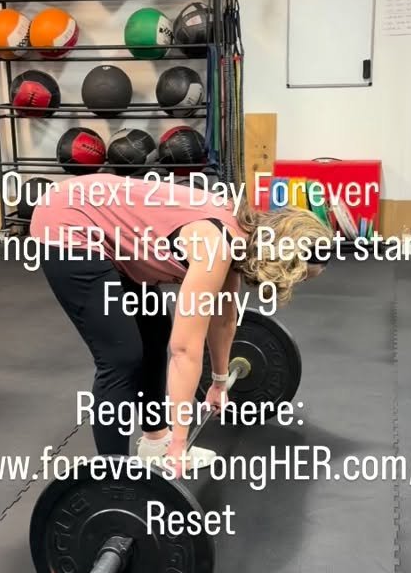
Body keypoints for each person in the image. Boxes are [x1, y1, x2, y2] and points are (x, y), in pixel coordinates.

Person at [30, 172, 330, 473]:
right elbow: (185, 351)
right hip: (69, 222)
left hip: (105, 227)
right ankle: (112, 478)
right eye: (300, 276)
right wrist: (179, 445)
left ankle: (155, 442)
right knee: (120, 357)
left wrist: (219, 382)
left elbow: (224, 319)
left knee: (155, 332)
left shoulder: (239, 236)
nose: (295, 283)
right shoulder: (216, 245)